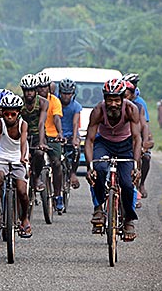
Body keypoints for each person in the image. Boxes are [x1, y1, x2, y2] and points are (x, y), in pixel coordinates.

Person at [84, 78, 141, 241]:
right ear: (105, 98)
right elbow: (89, 140)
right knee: (99, 171)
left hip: (126, 145)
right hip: (105, 144)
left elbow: (137, 139)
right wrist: (90, 166)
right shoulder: (98, 111)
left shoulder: (131, 109)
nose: (113, 104)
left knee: (127, 183)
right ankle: (99, 208)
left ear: (123, 98)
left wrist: (136, 166)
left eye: (117, 100)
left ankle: (129, 219)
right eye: (110, 99)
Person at [0, 93, 32, 238]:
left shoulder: (23, 124)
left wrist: (23, 157)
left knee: (22, 190)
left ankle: (24, 218)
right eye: (6, 113)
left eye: (13, 114)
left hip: (18, 157)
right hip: (1, 156)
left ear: (18, 113)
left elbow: (23, 142)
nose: (9, 117)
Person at [35, 71, 64, 212]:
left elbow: (57, 118)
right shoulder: (32, 101)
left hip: (51, 135)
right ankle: (33, 183)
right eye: (39, 87)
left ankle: (58, 195)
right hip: (36, 135)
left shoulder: (54, 101)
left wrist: (60, 133)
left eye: (44, 87)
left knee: (57, 163)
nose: (41, 90)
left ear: (49, 87)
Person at [124, 81, 155, 207]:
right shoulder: (109, 107)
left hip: (134, 139)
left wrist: (145, 141)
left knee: (139, 162)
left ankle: (138, 188)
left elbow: (144, 125)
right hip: (118, 142)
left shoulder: (139, 107)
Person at [19, 74, 49, 193]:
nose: (29, 93)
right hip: (23, 135)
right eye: (26, 90)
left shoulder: (43, 102)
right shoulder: (19, 102)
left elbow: (41, 123)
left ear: (36, 90)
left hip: (37, 134)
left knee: (39, 153)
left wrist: (41, 142)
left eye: (31, 90)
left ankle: (36, 178)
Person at [58, 78, 82, 189]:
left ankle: (73, 172)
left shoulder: (76, 106)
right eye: (64, 93)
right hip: (57, 133)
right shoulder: (55, 103)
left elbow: (75, 122)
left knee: (77, 150)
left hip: (71, 133)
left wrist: (75, 138)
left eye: (69, 94)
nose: (66, 96)